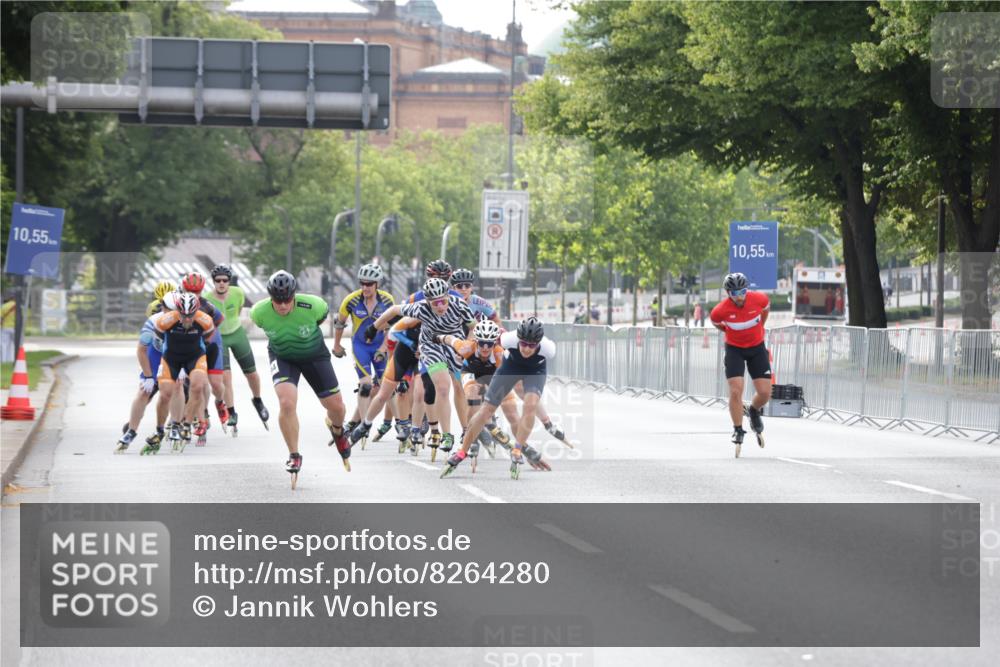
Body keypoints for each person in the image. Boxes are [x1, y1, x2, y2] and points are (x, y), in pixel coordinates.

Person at [357, 277, 475, 461]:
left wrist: (468, 344)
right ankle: (447, 435)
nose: (441, 306)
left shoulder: (459, 304)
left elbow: (472, 327)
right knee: (442, 388)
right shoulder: (419, 308)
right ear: (427, 302)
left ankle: (464, 429)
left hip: (455, 344)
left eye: (443, 301)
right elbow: (394, 310)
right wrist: (374, 327)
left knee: (459, 386)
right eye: (436, 303)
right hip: (431, 347)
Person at [250, 270, 351, 487]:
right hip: (283, 357)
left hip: (314, 356)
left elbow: (325, 319)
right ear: (270, 298)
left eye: (287, 299)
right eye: (278, 301)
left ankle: (337, 430)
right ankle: (294, 454)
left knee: (337, 408)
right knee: (286, 403)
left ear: (294, 295)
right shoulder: (259, 312)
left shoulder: (314, 305)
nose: (283, 305)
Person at [441, 317, 555, 480]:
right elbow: (459, 340)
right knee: (480, 405)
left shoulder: (542, 349)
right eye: (523, 344)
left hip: (515, 372)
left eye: (490, 344)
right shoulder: (483, 344)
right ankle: (465, 447)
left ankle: (520, 448)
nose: (486, 348)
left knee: (521, 408)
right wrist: (441, 339)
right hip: (491, 370)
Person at [710, 272, 771, 456]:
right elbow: (717, 323)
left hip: (757, 348)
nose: (739, 296)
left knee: (765, 393)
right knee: (736, 391)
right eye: (734, 293)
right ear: (728, 293)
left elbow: (765, 312)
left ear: (748, 289)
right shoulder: (720, 311)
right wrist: (731, 333)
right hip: (735, 349)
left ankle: (753, 410)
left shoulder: (759, 299)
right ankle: (738, 428)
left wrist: (759, 329)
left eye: (742, 291)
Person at [333, 263, 395, 441]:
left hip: (379, 346)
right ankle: (363, 426)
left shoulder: (387, 300)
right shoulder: (351, 300)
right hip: (360, 346)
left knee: (386, 387)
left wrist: (383, 349)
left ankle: (398, 424)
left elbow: (392, 327)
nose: (365, 287)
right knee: (366, 385)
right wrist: (337, 346)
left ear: (377, 284)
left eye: (369, 284)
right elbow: (339, 323)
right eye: (362, 283)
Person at [204, 264, 269, 433]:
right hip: (220, 338)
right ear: (213, 282)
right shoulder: (206, 298)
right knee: (226, 377)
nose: (222, 283)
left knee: (252, 373)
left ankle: (257, 399)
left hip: (237, 333)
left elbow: (239, 310)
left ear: (229, 281)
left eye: (225, 280)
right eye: (218, 281)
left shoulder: (238, 292)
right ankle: (232, 412)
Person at [150, 292, 217, 450]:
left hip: (195, 356)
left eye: (191, 315)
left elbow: (208, 340)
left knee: (198, 386)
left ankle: (186, 425)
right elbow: (157, 342)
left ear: (197, 311)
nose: (187, 319)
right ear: (177, 311)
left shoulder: (205, 321)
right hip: (171, 358)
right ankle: (159, 430)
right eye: (183, 315)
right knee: (165, 394)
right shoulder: (165, 320)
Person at [116, 280, 175, 453]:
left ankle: (173, 426)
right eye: (164, 309)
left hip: (175, 356)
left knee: (173, 391)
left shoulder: (184, 320)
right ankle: (131, 431)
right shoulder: (152, 321)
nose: (168, 314)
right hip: (155, 354)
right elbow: (142, 350)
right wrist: (149, 377)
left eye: (172, 311)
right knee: (144, 391)